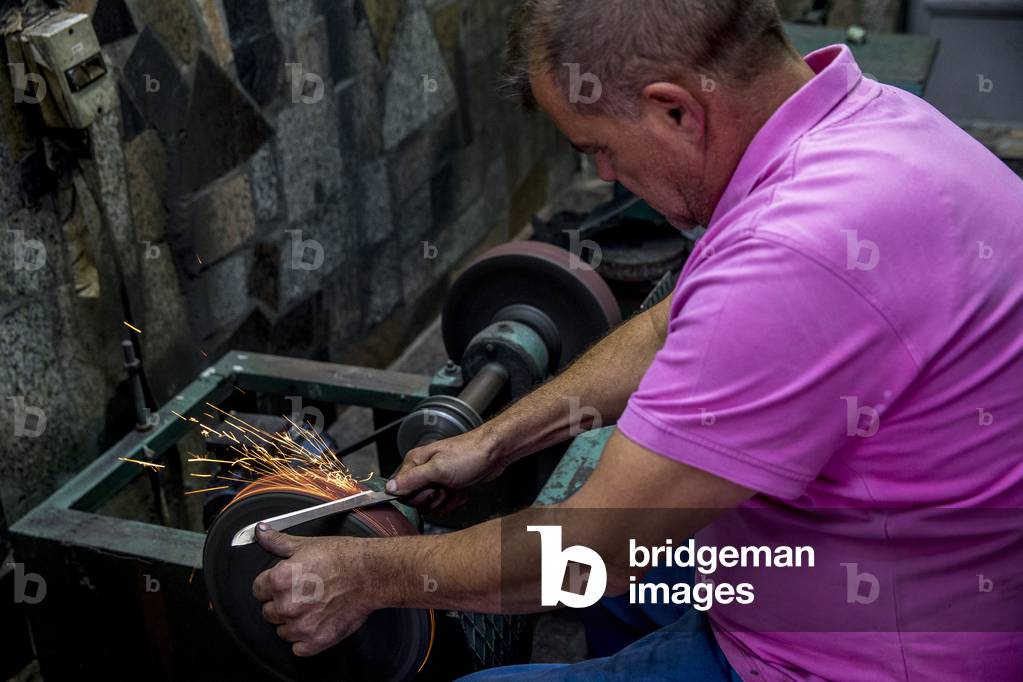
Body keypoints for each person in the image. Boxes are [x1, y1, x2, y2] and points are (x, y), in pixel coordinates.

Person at [251, 1, 1023, 679]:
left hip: (874, 656)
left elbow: (594, 549)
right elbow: (669, 319)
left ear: (675, 110)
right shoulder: (868, 122)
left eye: (599, 146)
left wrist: (370, 575)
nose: (607, 176)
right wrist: (499, 439)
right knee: (630, 594)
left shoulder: (794, 253)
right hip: (914, 566)